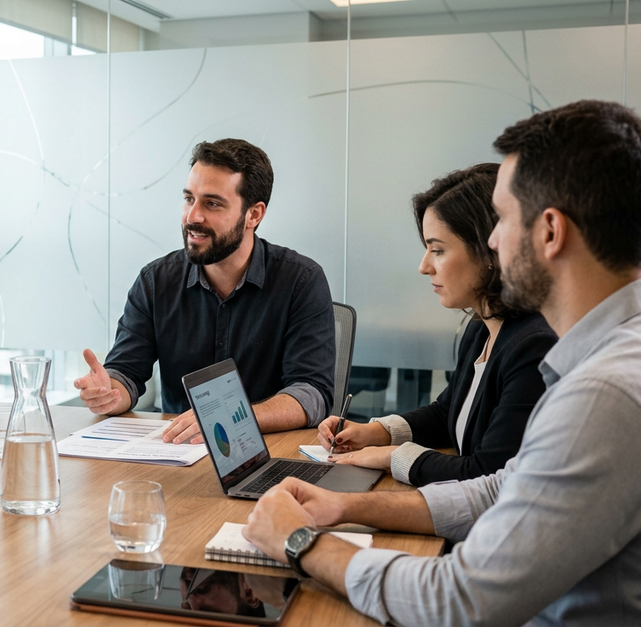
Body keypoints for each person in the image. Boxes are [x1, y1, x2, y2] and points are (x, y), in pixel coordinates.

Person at [243, 100, 641, 625]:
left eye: (501, 219)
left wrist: (300, 542)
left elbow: (459, 601)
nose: (494, 240)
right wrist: (342, 506)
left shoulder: (604, 394)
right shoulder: (607, 356)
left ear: (550, 231)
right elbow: (504, 487)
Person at [74, 138, 335, 441]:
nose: (192, 217)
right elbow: (126, 374)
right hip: (175, 451)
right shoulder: (155, 281)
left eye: (212, 203)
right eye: (189, 199)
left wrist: (232, 419)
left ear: (254, 214)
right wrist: (110, 393)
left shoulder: (301, 281)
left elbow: (311, 393)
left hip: (270, 453)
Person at [316, 164, 555, 486]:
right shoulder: (483, 327)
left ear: (490, 249)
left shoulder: (534, 346)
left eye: (438, 250)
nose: (424, 266)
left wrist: (391, 456)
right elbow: (447, 413)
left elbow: (487, 474)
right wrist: (375, 432)